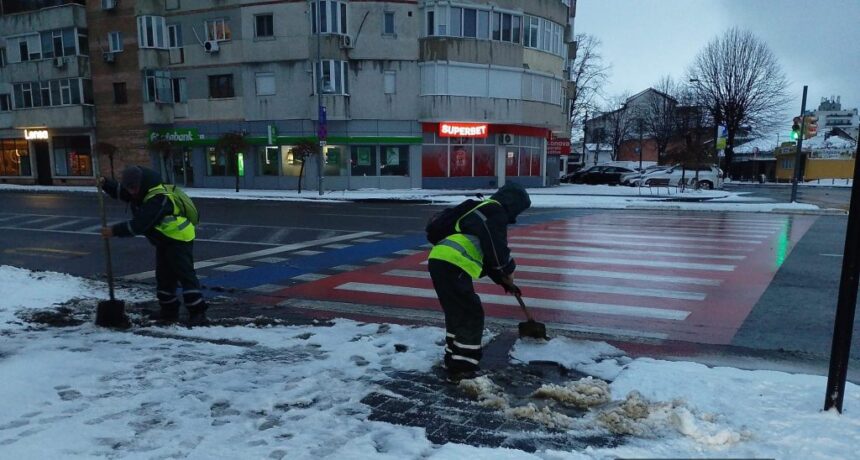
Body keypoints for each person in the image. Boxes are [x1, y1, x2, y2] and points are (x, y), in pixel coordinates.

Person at [427, 182, 531, 379]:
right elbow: (495, 247)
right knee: (471, 313)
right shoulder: (495, 212)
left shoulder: (480, 209)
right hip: (453, 263)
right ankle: (463, 366)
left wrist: (505, 283)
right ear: (513, 204)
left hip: (440, 260)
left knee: (457, 312)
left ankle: (453, 356)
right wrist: (508, 268)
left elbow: (488, 254)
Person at [99, 166, 208, 326]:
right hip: (164, 239)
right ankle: (169, 310)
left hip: (179, 239)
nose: (132, 192)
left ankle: (198, 313)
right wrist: (105, 183)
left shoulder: (158, 198)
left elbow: (140, 224)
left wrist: (114, 231)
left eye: (134, 188)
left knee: (185, 275)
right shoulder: (142, 191)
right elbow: (123, 192)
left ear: (141, 184)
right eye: (130, 188)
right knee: (164, 276)